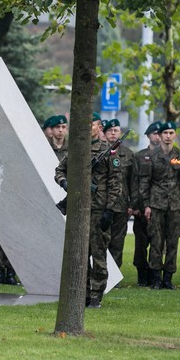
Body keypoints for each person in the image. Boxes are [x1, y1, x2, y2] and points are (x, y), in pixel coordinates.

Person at [55, 112, 121, 308]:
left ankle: (96, 295)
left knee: (98, 254)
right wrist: (65, 183)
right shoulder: (76, 149)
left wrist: (110, 210)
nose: (87, 127)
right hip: (78, 209)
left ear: (99, 127)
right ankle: (82, 294)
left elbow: (115, 183)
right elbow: (60, 171)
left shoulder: (108, 152)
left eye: (91, 124)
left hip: (99, 209)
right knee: (80, 254)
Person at [141, 121, 180, 289]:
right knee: (156, 241)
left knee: (173, 242)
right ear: (159, 136)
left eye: (171, 133)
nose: (168, 136)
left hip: (175, 205)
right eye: (165, 133)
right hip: (156, 204)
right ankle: (155, 278)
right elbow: (145, 182)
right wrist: (147, 204)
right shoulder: (151, 156)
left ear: (175, 135)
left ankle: (168, 277)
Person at [131, 121, 162, 286]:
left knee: (158, 243)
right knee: (141, 244)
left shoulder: (167, 157)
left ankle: (155, 274)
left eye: (160, 133)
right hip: (142, 208)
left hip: (160, 206)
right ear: (148, 135)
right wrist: (136, 206)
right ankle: (141, 275)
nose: (157, 137)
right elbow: (135, 182)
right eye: (154, 134)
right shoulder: (140, 156)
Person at [103, 118, 135, 268]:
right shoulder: (99, 152)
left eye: (116, 130)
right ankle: (99, 272)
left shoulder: (128, 154)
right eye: (110, 130)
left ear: (120, 133)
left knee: (117, 241)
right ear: (104, 133)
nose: (113, 133)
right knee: (101, 240)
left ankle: (114, 274)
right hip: (101, 203)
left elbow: (133, 182)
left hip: (121, 204)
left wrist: (132, 204)